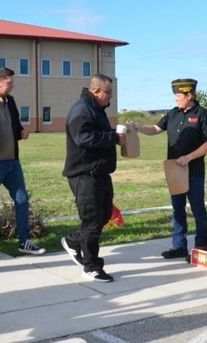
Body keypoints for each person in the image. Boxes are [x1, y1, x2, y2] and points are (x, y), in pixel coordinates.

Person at [135, 78, 207, 260]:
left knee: (197, 209)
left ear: (190, 95)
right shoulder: (172, 113)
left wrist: (188, 157)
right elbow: (155, 129)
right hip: (175, 171)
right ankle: (179, 246)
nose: (176, 99)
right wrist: (139, 127)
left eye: (179, 95)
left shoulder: (203, 115)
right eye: (176, 95)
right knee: (177, 208)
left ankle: (201, 248)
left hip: (193, 170)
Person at [60, 74, 125, 282]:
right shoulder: (81, 110)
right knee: (92, 221)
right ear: (96, 91)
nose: (111, 98)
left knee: (104, 215)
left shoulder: (96, 110)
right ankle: (91, 267)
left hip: (100, 174)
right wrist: (113, 137)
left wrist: (115, 133)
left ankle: (72, 241)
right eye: (109, 93)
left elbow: (97, 134)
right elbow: (84, 137)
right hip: (84, 175)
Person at [0, 67, 46, 258]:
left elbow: (15, 127)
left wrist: (22, 132)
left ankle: (24, 241)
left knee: (22, 199)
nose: (12, 86)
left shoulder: (10, 101)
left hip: (12, 163)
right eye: (9, 83)